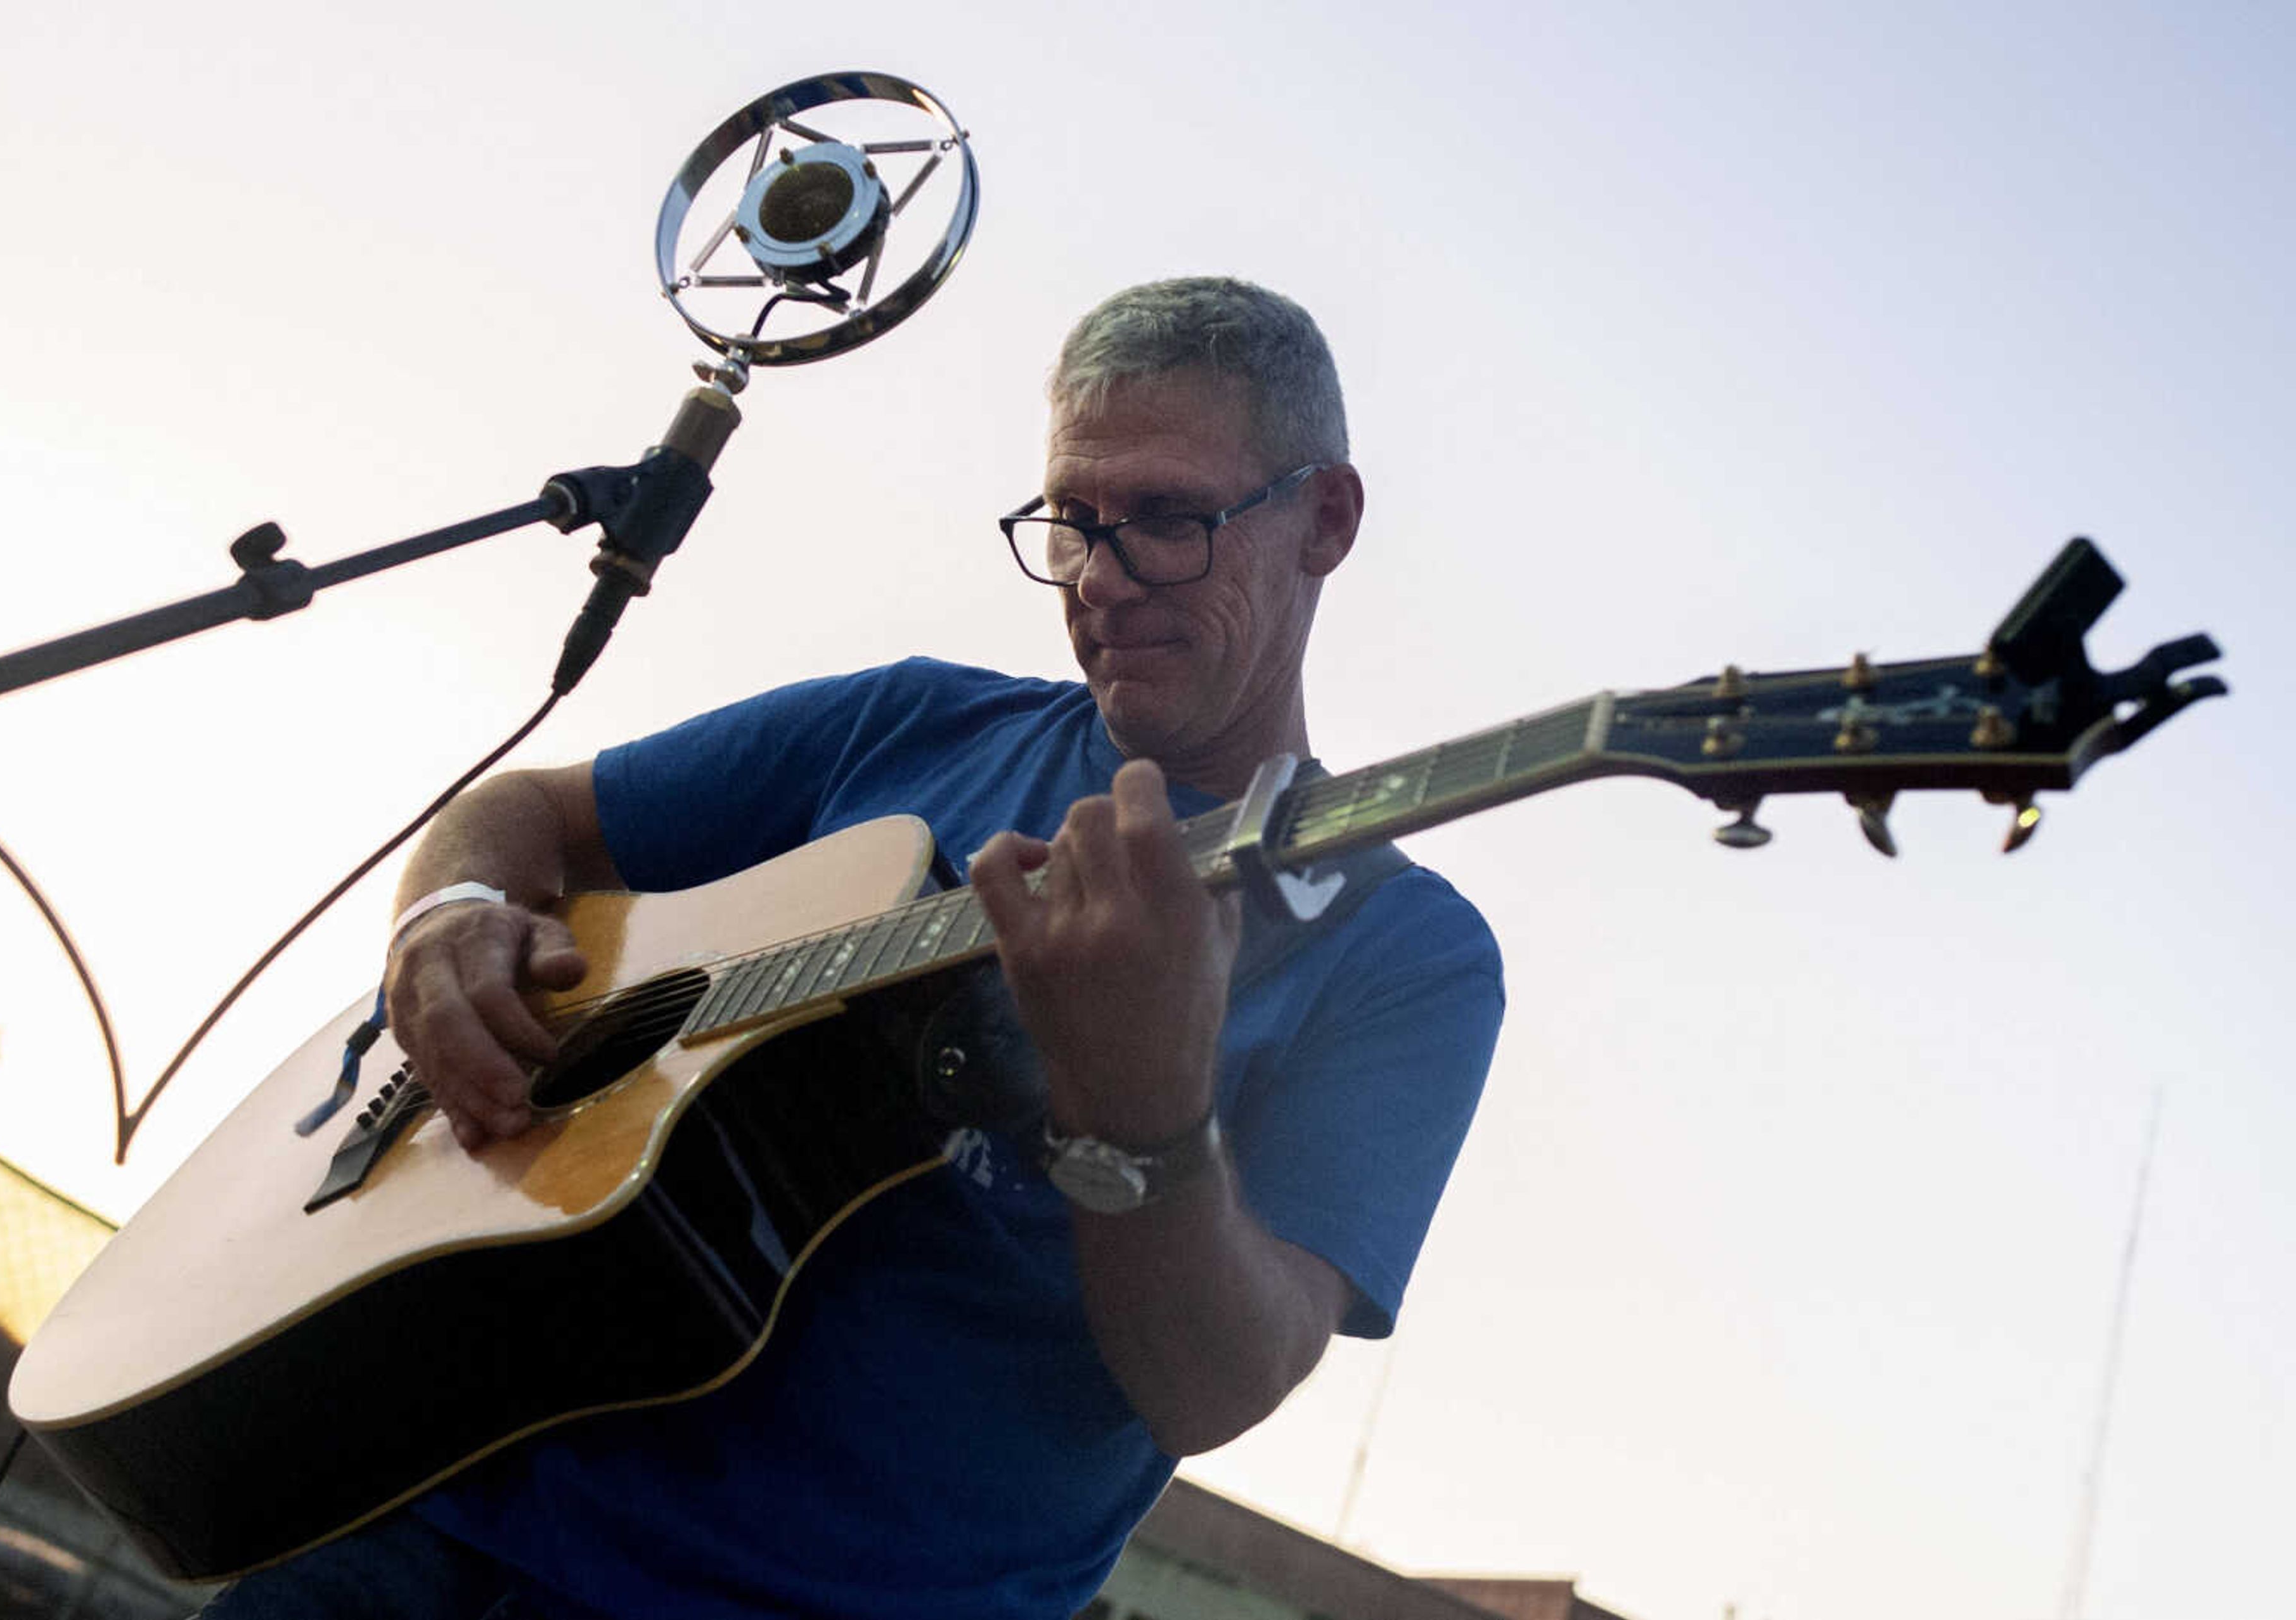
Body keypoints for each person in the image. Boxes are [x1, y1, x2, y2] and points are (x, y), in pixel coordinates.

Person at [205, 277, 1503, 1618]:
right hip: (423, 1526)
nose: (1103, 582)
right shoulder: (910, 725)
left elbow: (1216, 1385)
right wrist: (449, 918)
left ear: (1326, 521)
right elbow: (519, 813)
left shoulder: (1405, 956)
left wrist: (1142, 1112)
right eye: (1073, 522)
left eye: (1169, 520)